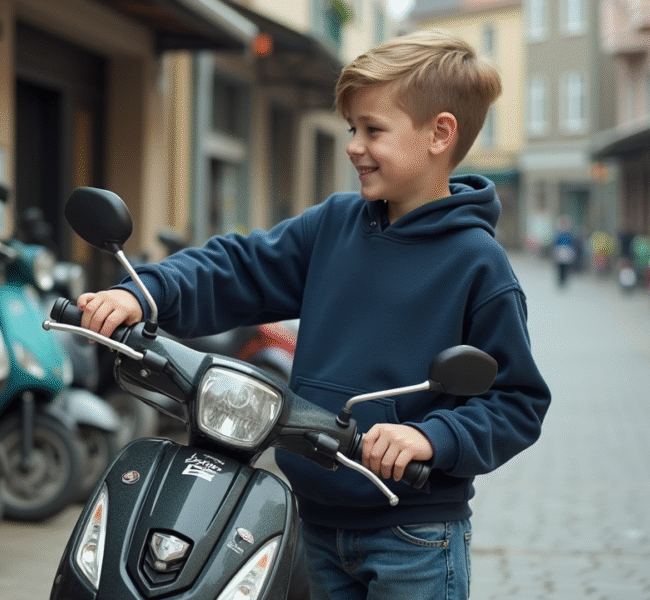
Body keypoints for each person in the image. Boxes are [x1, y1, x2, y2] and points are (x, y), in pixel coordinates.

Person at [77, 29, 551, 600]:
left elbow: (517, 401)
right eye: (352, 128)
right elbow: (240, 266)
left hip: (414, 536)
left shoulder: (479, 264)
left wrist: (433, 437)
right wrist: (145, 292)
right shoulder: (334, 225)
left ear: (439, 134)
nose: (354, 145)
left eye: (373, 129)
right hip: (310, 520)